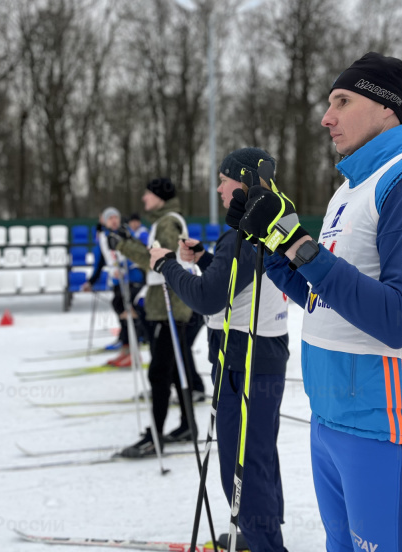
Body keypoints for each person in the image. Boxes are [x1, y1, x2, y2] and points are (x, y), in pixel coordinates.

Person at [231, 52, 402, 552]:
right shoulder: (347, 191)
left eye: (342, 101)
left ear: (387, 109)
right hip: (329, 414)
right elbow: (321, 298)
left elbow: (399, 318)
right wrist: (272, 249)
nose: (326, 117)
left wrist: (299, 246)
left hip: (383, 421)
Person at [149, 147, 290, 552]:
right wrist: (207, 258)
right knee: (258, 451)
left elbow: (209, 298)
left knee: (240, 460)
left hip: (242, 358)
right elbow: (242, 276)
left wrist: (167, 266)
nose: (218, 188)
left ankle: (265, 542)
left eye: (224, 180)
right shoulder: (272, 214)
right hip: (262, 352)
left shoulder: (243, 227)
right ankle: (261, 531)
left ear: (242, 181)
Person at [109, 178, 196, 457]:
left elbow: (161, 260)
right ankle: (187, 425)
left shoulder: (167, 223)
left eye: (148, 193)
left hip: (170, 307)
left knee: (159, 372)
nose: (144, 198)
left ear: (159, 196)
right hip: (168, 305)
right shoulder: (165, 221)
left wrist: (124, 246)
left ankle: (155, 436)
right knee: (172, 369)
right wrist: (128, 242)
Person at [81, 207, 147, 365]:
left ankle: (134, 347)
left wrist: (127, 264)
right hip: (119, 281)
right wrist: (91, 282)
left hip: (134, 277)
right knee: (119, 306)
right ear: (104, 220)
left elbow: (139, 252)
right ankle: (127, 347)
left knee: (128, 307)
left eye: (116, 217)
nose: (114, 220)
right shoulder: (104, 238)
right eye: (110, 218)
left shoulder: (126, 233)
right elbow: (100, 263)